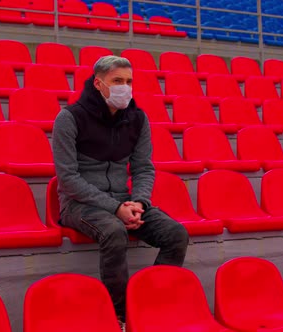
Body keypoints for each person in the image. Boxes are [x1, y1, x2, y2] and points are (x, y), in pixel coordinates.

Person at [52, 55, 189, 323]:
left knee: (176, 234)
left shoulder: (137, 119)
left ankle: (150, 305)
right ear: (98, 83)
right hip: (78, 204)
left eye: (128, 81)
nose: (124, 87)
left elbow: (143, 168)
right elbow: (67, 178)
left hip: (125, 200)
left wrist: (138, 202)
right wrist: (115, 208)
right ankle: (120, 315)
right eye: (117, 81)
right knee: (114, 231)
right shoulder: (69, 118)